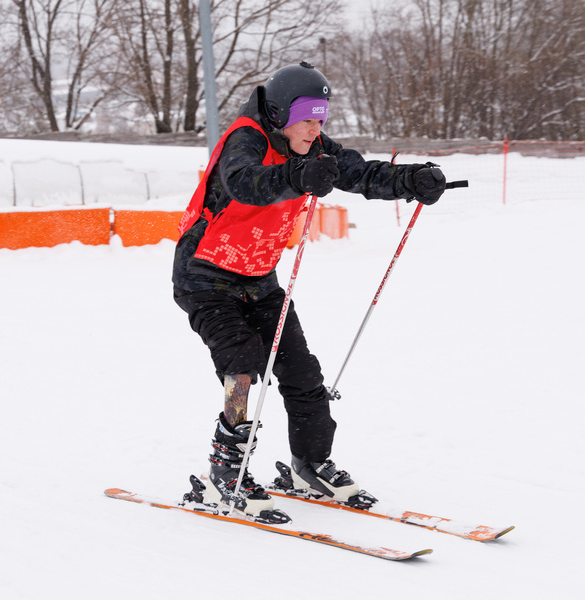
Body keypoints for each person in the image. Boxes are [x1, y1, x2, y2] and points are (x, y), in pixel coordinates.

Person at [172, 61, 447, 517]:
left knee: (302, 372)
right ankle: (226, 468)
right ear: (279, 115)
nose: (314, 129)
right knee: (241, 364)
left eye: (321, 119)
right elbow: (243, 183)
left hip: (259, 278)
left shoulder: (312, 145)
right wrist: (296, 178)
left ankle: (310, 464)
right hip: (204, 275)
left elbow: (357, 173)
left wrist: (410, 180)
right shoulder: (246, 138)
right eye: (306, 119)